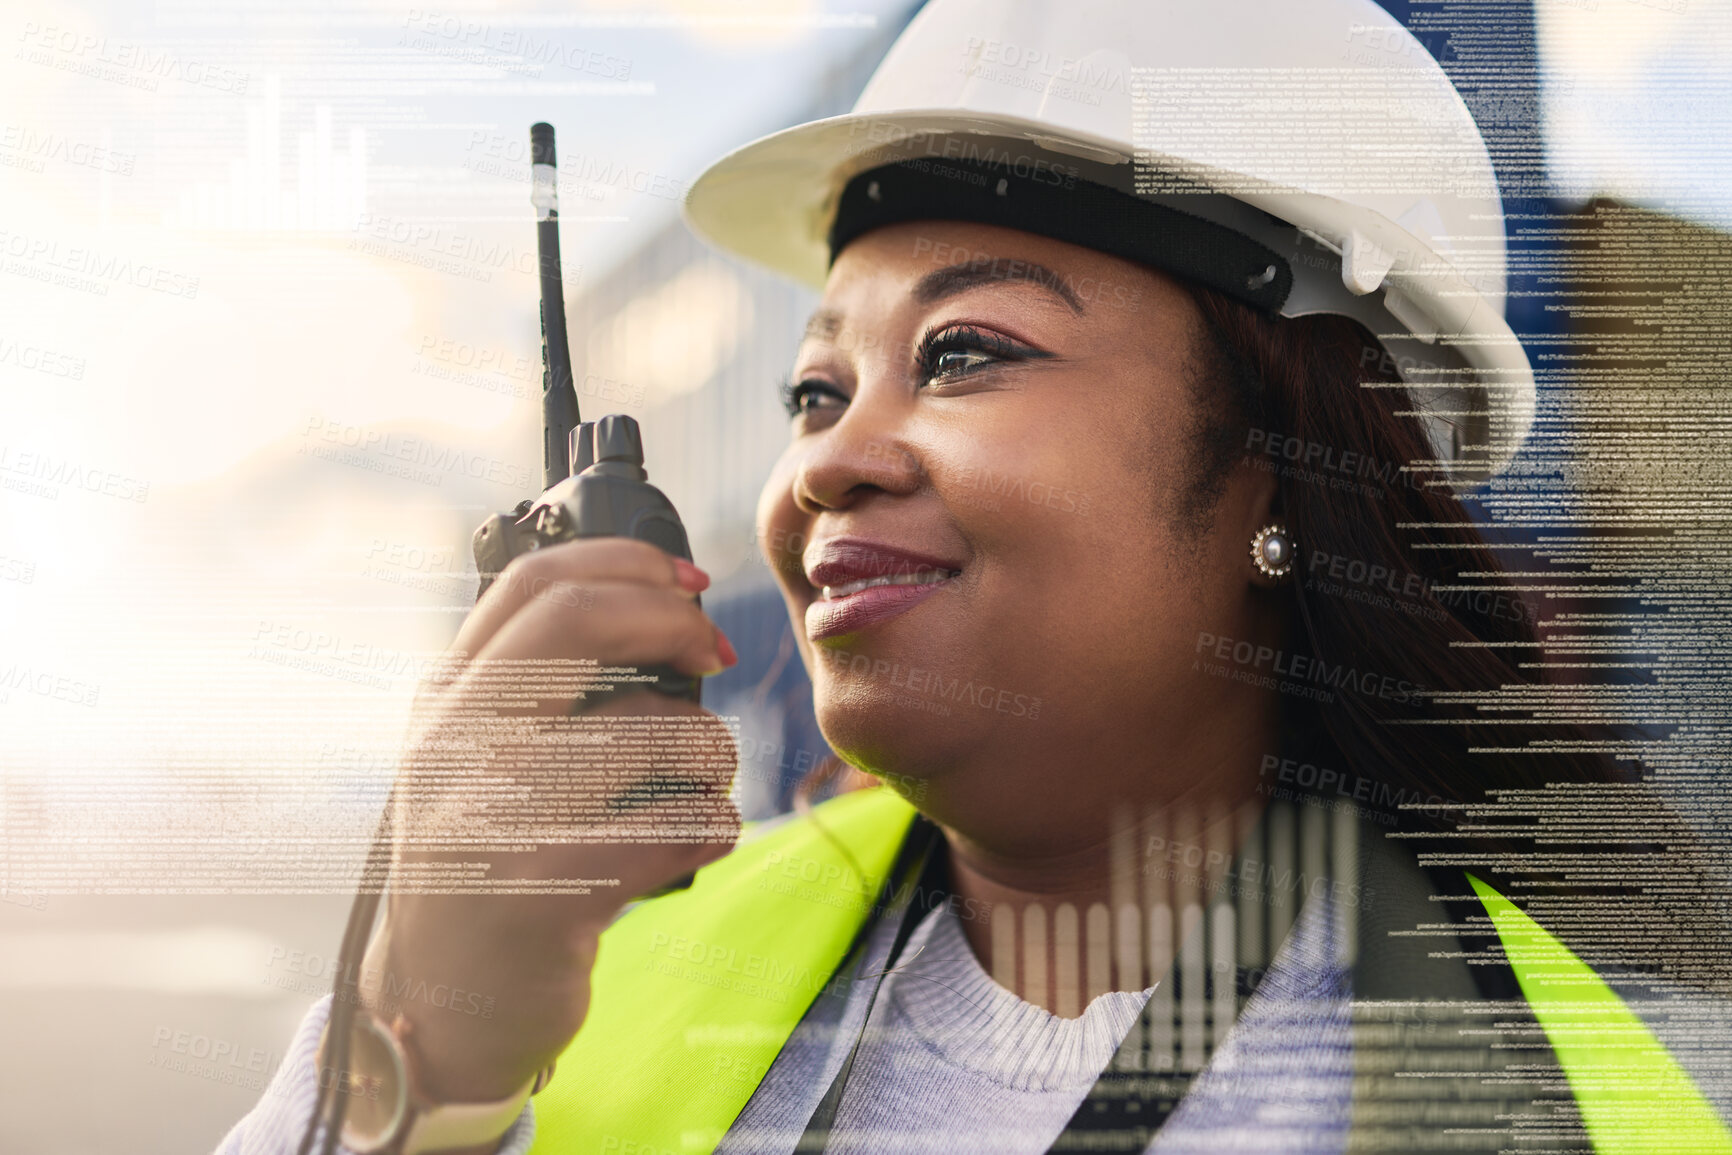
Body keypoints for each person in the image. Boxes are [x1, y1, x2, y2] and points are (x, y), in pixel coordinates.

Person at [220, 1, 1732, 1153]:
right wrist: (418, 1052)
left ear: (1291, 476)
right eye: (814, 392)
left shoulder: (1614, 1093)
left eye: (965, 353)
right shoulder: (600, 972)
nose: (830, 459)